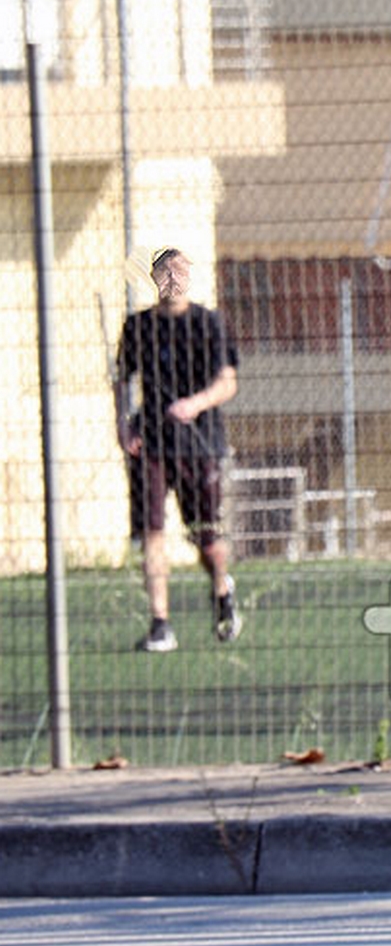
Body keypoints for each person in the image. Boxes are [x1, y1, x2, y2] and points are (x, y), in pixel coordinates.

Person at [115, 248, 241, 653]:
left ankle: (222, 589)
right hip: (151, 446)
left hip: (199, 445)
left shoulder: (209, 324)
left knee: (206, 540)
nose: (172, 279)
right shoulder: (138, 327)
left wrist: (195, 404)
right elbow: (121, 379)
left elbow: (227, 382)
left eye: (179, 271)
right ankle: (160, 625)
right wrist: (123, 421)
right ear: (153, 278)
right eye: (164, 272)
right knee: (153, 532)